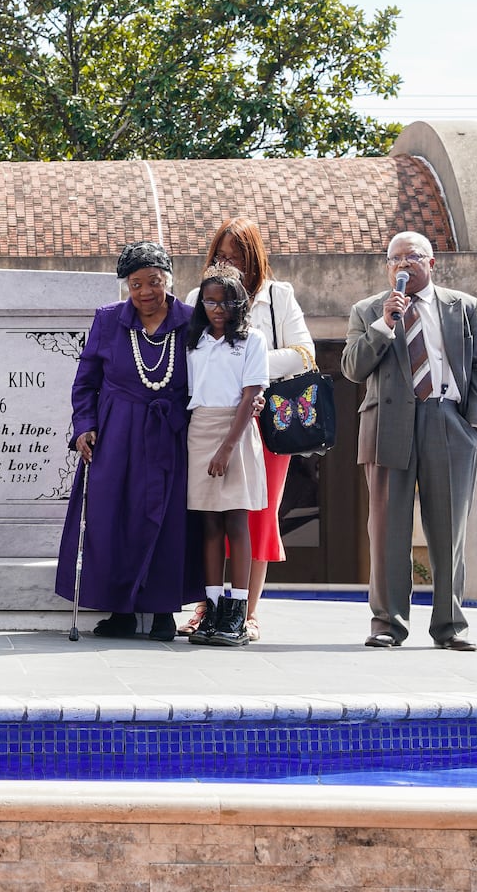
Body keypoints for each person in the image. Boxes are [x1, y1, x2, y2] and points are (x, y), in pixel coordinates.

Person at [341, 231, 477, 651]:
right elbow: (353, 368)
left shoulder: (463, 306)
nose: (403, 265)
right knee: (388, 531)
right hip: (388, 423)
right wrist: (384, 324)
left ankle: (450, 627)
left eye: (412, 257)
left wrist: (474, 424)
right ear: (387, 267)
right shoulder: (369, 310)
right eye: (395, 259)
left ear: (431, 263)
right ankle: (388, 624)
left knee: (449, 531)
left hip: (448, 420)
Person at [54, 240, 200, 641]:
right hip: (115, 432)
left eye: (153, 282)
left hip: (171, 431)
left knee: (168, 519)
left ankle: (163, 611)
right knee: (111, 518)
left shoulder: (191, 319)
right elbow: (85, 383)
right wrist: (83, 426)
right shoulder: (108, 320)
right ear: (126, 287)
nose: (145, 293)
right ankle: (119, 610)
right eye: (135, 284)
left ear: (168, 280)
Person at [181, 216, 314, 641]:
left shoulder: (278, 296)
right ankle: (208, 609)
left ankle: (247, 613)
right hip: (209, 418)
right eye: (221, 257)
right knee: (209, 517)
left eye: (237, 257)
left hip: (264, 419)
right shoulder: (196, 297)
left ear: (254, 259)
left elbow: (303, 355)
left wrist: (248, 370)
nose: (229, 265)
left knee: (256, 516)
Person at [184, 267, 268, 647]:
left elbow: (251, 396)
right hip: (200, 429)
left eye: (227, 301)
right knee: (209, 526)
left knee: (237, 521)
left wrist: (227, 448)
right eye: (211, 301)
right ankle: (212, 610)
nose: (219, 308)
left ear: (241, 303)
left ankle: (237, 614)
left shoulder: (252, 341)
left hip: (235, 430)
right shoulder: (194, 340)